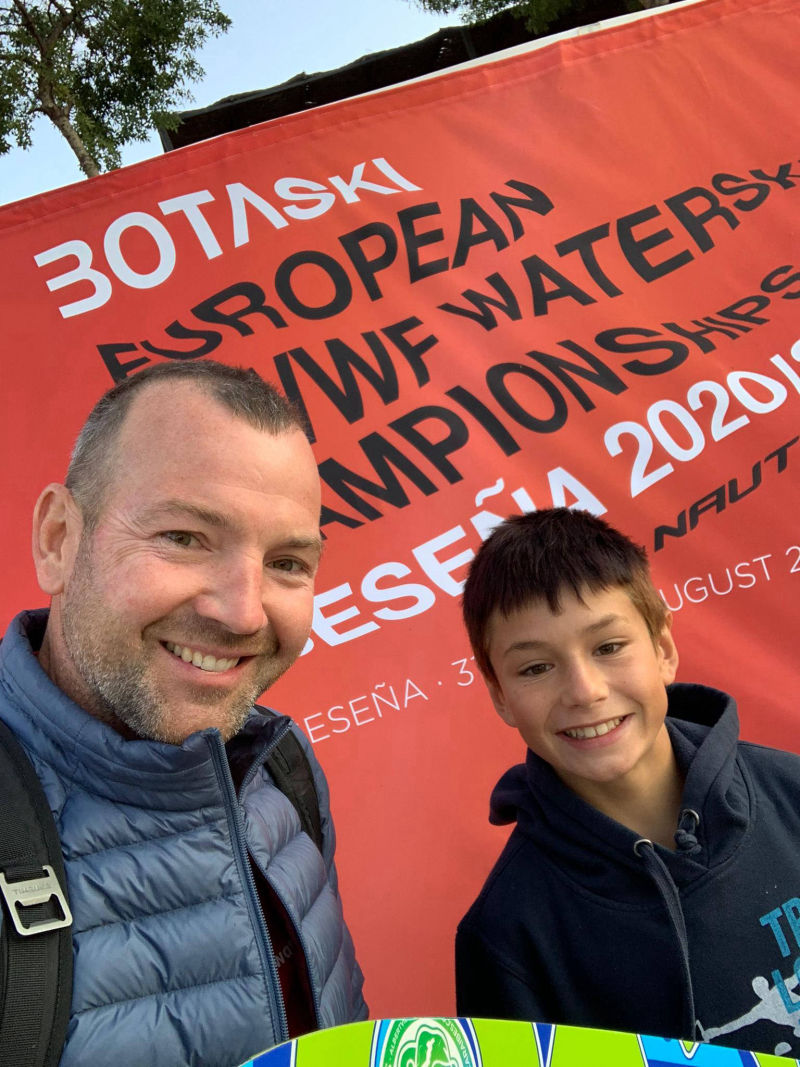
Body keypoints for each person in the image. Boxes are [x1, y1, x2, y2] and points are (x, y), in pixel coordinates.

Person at [0, 360, 366, 1067]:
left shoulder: (280, 769)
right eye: (183, 537)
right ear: (58, 540)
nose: (244, 612)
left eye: (288, 562)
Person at [455, 507, 800, 1059]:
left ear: (663, 649)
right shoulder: (507, 934)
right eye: (536, 668)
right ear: (500, 695)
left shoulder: (791, 790)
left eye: (608, 647)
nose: (585, 691)